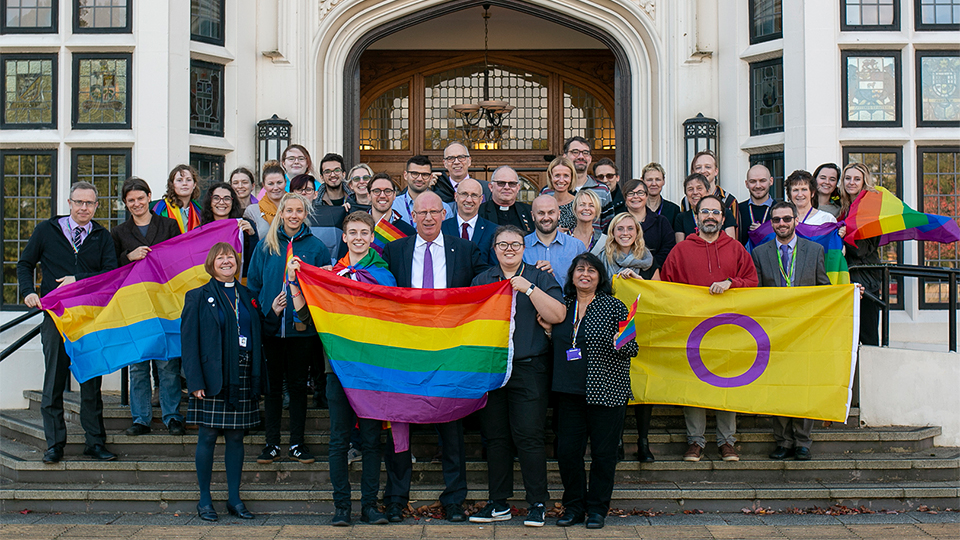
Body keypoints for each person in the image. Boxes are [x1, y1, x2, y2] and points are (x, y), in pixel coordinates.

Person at [381, 191, 487, 523]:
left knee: (451, 427)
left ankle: (454, 499)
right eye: (421, 212)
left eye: (434, 212)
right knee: (399, 426)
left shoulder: (465, 249)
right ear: (412, 216)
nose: (428, 217)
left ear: (445, 214)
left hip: (448, 351)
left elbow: (486, 284)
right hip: (406, 350)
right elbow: (377, 285)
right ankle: (397, 497)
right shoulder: (395, 250)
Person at [286, 211, 395, 526]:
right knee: (338, 439)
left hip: (374, 369)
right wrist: (298, 282)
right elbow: (305, 316)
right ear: (344, 237)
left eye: (364, 232)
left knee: (373, 439)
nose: (359, 238)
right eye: (353, 233)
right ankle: (342, 508)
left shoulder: (383, 272)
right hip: (337, 370)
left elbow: (391, 309)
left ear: (372, 238)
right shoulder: (329, 274)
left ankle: (370, 507)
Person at [468, 225, 566, 527]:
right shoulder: (482, 280)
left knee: (529, 437)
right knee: (496, 439)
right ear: (494, 249)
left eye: (515, 244)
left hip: (529, 367)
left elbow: (558, 315)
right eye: (503, 244)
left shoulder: (539, 277)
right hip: (493, 368)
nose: (509, 249)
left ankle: (537, 502)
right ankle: (498, 503)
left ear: (525, 248)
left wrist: (529, 289)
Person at [17, 181, 119, 463]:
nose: (84, 208)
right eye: (79, 202)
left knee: (90, 381)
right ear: (69, 202)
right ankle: (54, 444)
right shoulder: (46, 231)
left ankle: (95, 442)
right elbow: (24, 264)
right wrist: (28, 291)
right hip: (55, 316)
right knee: (53, 380)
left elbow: (110, 273)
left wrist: (80, 280)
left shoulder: (101, 236)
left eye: (89, 203)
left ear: (96, 206)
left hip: (89, 317)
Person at [182, 243, 283, 522]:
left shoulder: (248, 296)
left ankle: (234, 499)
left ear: (237, 263)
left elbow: (262, 331)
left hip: (243, 374)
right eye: (221, 257)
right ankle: (204, 499)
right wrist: (194, 380)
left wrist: (273, 311)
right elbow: (189, 343)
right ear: (212, 263)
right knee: (208, 436)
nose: (227, 261)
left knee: (237, 437)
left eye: (231, 257)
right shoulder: (197, 297)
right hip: (212, 378)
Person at [660, 195, 759, 463]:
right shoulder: (681, 250)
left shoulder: (737, 248)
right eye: (705, 211)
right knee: (694, 385)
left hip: (729, 331)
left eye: (715, 212)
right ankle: (695, 442)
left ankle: (727, 441)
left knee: (726, 383)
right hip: (691, 330)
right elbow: (666, 288)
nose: (710, 216)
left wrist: (732, 283)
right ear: (696, 217)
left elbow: (753, 282)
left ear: (723, 218)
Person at [544, 252, 638, 530]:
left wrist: (619, 340)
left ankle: (597, 509)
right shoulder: (562, 306)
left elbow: (632, 347)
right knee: (568, 453)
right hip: (568, 391)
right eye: (580, 269)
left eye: (591, 270)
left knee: (604, 453)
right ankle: (574, 507)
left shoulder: (615, 307)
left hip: (606, 391)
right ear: (572, 275)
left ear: (600, 277)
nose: (585, 274)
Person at [247, 193, 331, 466]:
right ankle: (271, 444)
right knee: (272, 389)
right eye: (289, 210)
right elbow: (253, 288)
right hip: (272, 329)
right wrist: (268, 307)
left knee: (297, 387)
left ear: (305, 214)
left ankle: (297, 443)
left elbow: (323, 289)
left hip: (302, 331)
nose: (294, 215)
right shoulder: (265, 246)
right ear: (281, 213)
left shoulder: (316, 247)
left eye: (299, 211)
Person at [751, 202, 830, 461]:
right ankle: (783, 441)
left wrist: (851, 294)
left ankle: (803, 442)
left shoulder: (815, 250)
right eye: (776, 220)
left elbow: (824, 290)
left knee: (803, 385)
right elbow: (756, 293)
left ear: (796, 220)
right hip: (776, 332)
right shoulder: (760, 253)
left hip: (805, 330)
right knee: (780, 385)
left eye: (786, 219)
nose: (781, 224)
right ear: (771, 223)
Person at [111, 177, 183, 437]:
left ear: (149, 198)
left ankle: (172, 416)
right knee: (138, 365)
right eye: (131, 200)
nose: (136, 204)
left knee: (167, 364)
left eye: (140, 198)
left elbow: (180, 260)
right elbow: (111, 269)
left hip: (164, 303)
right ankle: (141, 418)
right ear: (125, 203)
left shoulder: (169, 225)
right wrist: (127, 257)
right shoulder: (118, 233)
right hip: (135, 306)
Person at [839, 162, 882, 346]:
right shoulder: (844, 207)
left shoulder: (870, 209)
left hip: (866, 278)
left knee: (868, 334)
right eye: (848, 178)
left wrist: (845, 236)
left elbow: (863, 249)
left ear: (864, 181)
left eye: (857, 179)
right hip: (847, 276)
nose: (851, 182)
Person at [523, 195, 587, 289]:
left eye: (551, 212)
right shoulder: (521, 246)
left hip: (568, 302)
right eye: (541, 213)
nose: (546, 218)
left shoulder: (576, 246)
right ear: (533, 216)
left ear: (559, 214)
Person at [200, 182, 259, 278]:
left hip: (240, 283)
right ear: (209, 202)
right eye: (216, 198)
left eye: (227, 198)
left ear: (233, 202)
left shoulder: (245, 225)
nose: (221, 202)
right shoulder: (201, 231)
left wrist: (252, 236)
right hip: (209, 285)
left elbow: (255, 261)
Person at [621, 178, 676, 270]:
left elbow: (668, 248)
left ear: (646, 196)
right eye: (630, 193)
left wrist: (650, 267)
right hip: (622, 273)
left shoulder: (661, 222)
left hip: (654, 273)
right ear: (625, 198)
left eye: (640, 193)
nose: (635, 196)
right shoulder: (616, 222)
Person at [441, 177, 498, 265]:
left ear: (481, 199)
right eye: (464, 194)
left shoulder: (493, 231)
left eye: (474, 195)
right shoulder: (442, 228)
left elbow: (494, 268)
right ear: (456, 196)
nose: (469, 200)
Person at [562, 136, 613, 229]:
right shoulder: (549, 191)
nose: (581, 156)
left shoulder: (603, 190)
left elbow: (608, 228)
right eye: (575, 152)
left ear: (590, 158)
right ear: (565, 157)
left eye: (585, 153)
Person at [685, 149, 739, 235]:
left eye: (708, 167)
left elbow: (735, 236)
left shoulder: (729, 200)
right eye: (698, 167)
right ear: (693, 172)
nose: (703, 171)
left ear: (716, 171)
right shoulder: (686, 201)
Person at [674, 173, 736, 243]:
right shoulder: (681, 218)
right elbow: (680, 249)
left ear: (708, 191)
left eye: (699, 188)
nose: (695, 192)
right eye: (690, 189)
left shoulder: (724, 213)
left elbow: (731, 245)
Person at [393, 155, 453, 226]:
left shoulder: (444, 208)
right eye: (414, 174)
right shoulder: (393, 206)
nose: (419, 179)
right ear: (405, 175)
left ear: (431, 177)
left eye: (424, 174)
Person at [597, 212, 658, 280]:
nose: (625, 233)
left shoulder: (646, 257)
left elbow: (657, 289)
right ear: (612, 232)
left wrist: (640, 281)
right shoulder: (601, 259)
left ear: (637, 232)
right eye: (620, 229)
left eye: (630, 228)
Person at [478, 166, 534, 233]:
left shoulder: (529, 212)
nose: (507, 187)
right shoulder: (479, 212)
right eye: (501, 183)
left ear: (518, 188)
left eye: (512, 184)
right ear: (491, 187)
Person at [152, 164, 202, 233]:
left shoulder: (199, 211)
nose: (184, 183)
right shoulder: (161, 209)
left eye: (188, 180)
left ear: (194, 184)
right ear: (172, 184)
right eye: (179, 180)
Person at [244, 161, 287, 238]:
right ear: (263, 185)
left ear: (285, 182)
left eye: (279, 182)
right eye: (270, 184)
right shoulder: (253, 210)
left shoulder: (296, 206)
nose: (276, 187)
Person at [368, 173, 416, 239]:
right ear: (369, 196)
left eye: (388, 191)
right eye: (376, 191)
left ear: (394, 195)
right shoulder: (357, 226)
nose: (382, 196)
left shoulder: (408, 231)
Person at [738, 164, 776, 245]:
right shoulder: (738, 210)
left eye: (762, 181)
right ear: (746, 184)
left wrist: (764, 231)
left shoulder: (781, 210)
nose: (758, 186)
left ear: (771, 181)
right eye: (753, 181)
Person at [541, 156, 578, 231]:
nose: (561, 180)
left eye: (566, 176)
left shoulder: (578, 203)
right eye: (557, 175)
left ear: (571, 178)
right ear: (550, 177)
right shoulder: (543, 204)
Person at [642, 162, 682, 227]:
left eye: (658, 179)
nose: (654, 184)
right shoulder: (637, 208)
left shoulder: (673, 210)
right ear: (642, 181)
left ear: (663, 181)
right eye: (649, 180)